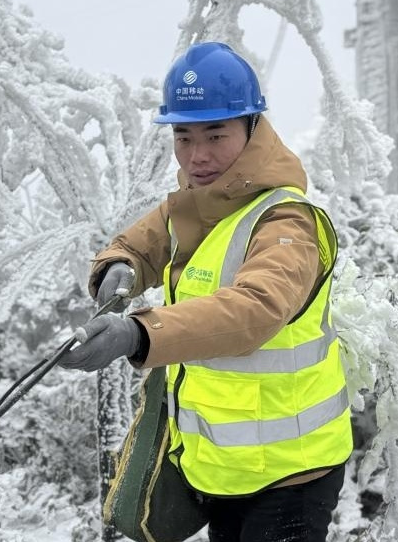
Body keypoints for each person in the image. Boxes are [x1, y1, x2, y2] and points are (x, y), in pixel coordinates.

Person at [59, 41, 352, 542]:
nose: (198, 155)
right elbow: (139, 244)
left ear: (252, 129)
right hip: (222, 472)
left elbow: (255, 311)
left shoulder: (286, 221)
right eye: (183, 137)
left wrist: (138, 333)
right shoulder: (196, 206)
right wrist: (117, 267)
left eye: (216, 134)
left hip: (291, 476)